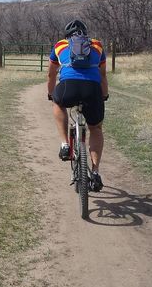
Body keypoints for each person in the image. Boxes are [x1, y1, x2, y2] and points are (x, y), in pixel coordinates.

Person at [47, 19, 109, 191]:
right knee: (96, 128)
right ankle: (95, 173)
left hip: (69, 87)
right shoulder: (97, 45)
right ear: (85, 33)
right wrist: (104, 95)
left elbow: (51, 75)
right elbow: (103, 75)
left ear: (67, 36)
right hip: (92, 90)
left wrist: (51, 95)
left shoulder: (59, 46)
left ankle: (65, 144)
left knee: (58, 103)